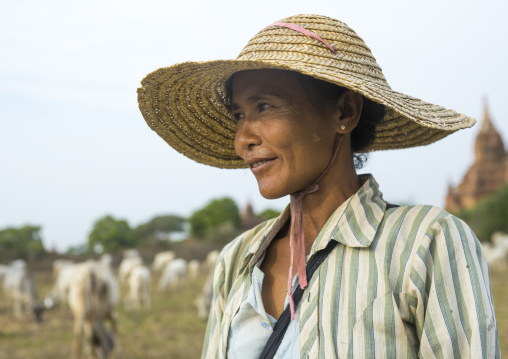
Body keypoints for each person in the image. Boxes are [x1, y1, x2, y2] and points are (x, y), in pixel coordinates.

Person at [137, 14, 500, 359]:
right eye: (238, 115)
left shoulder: (425, 243)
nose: (242, 138)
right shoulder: (237, 261)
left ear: (344, 113)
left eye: (263, 106)